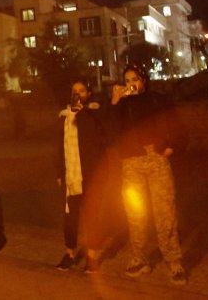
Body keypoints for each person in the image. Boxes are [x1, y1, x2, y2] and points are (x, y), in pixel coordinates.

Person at [110, 66, 187, 286]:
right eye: (126, 80)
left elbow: (175, 124)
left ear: (143, 79)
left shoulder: (157, 100)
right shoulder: (121, 105)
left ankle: (173, 261)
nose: (131, 83)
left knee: (165, 211)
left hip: (156, 158)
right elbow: (112, 132)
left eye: (135, 79)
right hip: (131, 161)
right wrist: (115, 102)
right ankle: (139, 257)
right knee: (136, 211)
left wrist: (173, 146)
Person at [53, 80, 109, 274]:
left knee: (92, 215)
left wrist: (83, 112)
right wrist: (60, 171)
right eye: (74, 91)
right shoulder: (64, 116)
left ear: (89, 93)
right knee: (70, 218)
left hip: (91, 173)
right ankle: (69, 254)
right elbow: (59, 147)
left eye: (82, 91)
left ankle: (92, 257)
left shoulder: (95, 113)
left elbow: (98, 139)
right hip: (71, 175)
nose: (78, 94)